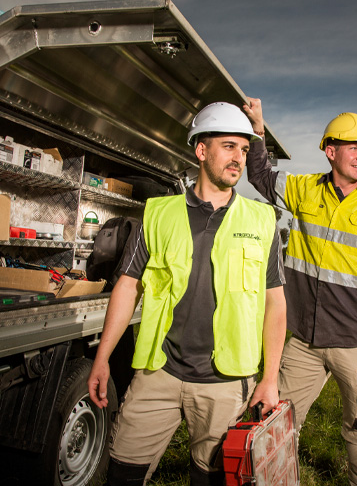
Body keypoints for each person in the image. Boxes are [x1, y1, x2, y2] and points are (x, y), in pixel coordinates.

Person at [87, 101, 287, 486]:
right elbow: (127, 286)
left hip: (227, 383)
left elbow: (275, 302)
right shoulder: (158, 214)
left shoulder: (263, 221)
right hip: (158, 372)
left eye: (244, 149)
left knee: (211, 479)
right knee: (121, 474)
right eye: (228, 146)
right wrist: (102, 357)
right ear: (201, 150)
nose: (239, 158)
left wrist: (270, 378)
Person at [243, 98, 357, 486]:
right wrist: (257, 129)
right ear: (330, 151)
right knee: (277, 424)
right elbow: (261, 175)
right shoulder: (304, 189)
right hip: (304, 342)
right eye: (354, 147)